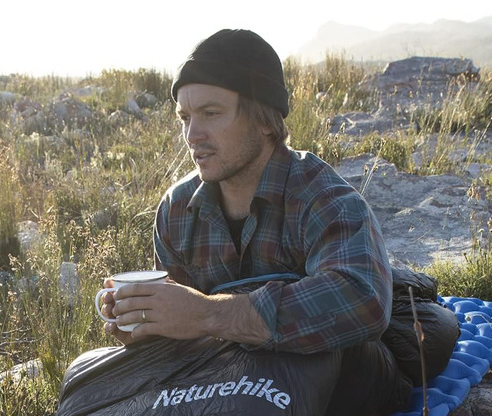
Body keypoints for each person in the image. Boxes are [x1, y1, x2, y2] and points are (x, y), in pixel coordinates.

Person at [101, 28, 392, 357]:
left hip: (320, 392)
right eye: (185, 118)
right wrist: (149, 327)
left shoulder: (324, 200)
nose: (192, 135)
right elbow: (185, 335)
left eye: (211, 114)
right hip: (224, 394)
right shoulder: (177, 210)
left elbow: (364, 302)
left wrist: (207, 314)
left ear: (265, 119)